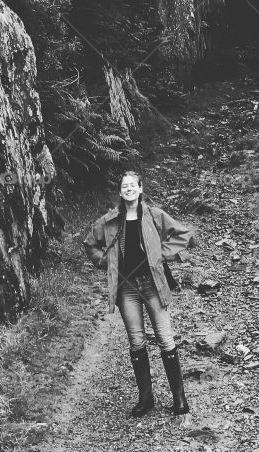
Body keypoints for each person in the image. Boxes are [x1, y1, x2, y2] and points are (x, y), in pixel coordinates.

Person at [83, 170, 195, 417]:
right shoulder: (111, 220)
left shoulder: (154, 216)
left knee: (166, 339)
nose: (129, 189)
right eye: (125, 186)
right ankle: (146, 399)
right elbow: (90, 244)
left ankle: (179, 398)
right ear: (120, 191)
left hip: (153, 284)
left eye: (133, 185)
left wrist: (160, 254)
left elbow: (184, 235)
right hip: (126, 288)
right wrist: (107, 262)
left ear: (141, 189)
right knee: (136, 341)